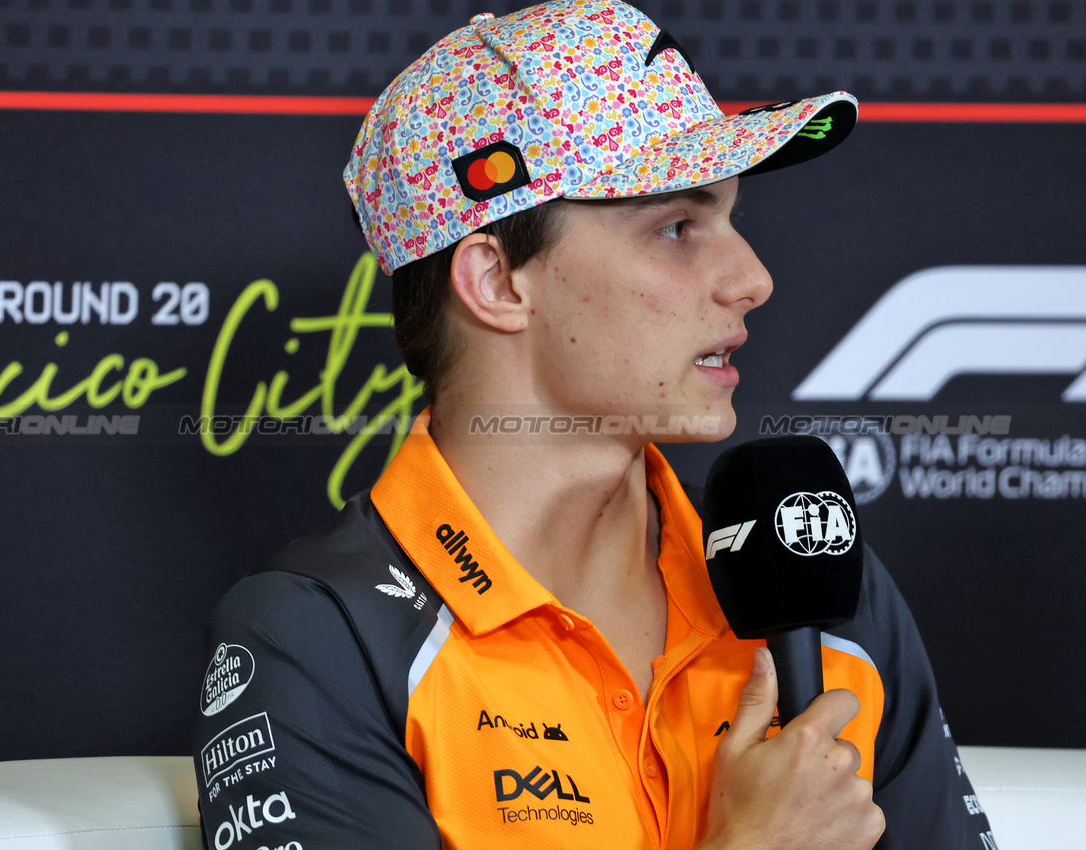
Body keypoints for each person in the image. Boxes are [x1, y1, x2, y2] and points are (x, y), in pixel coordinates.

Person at [193, 1, 995, 847]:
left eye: (732, 220)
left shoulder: (811, 568)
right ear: (497, 283)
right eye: (677, 227)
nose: (752, 278)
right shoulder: (321, 636)